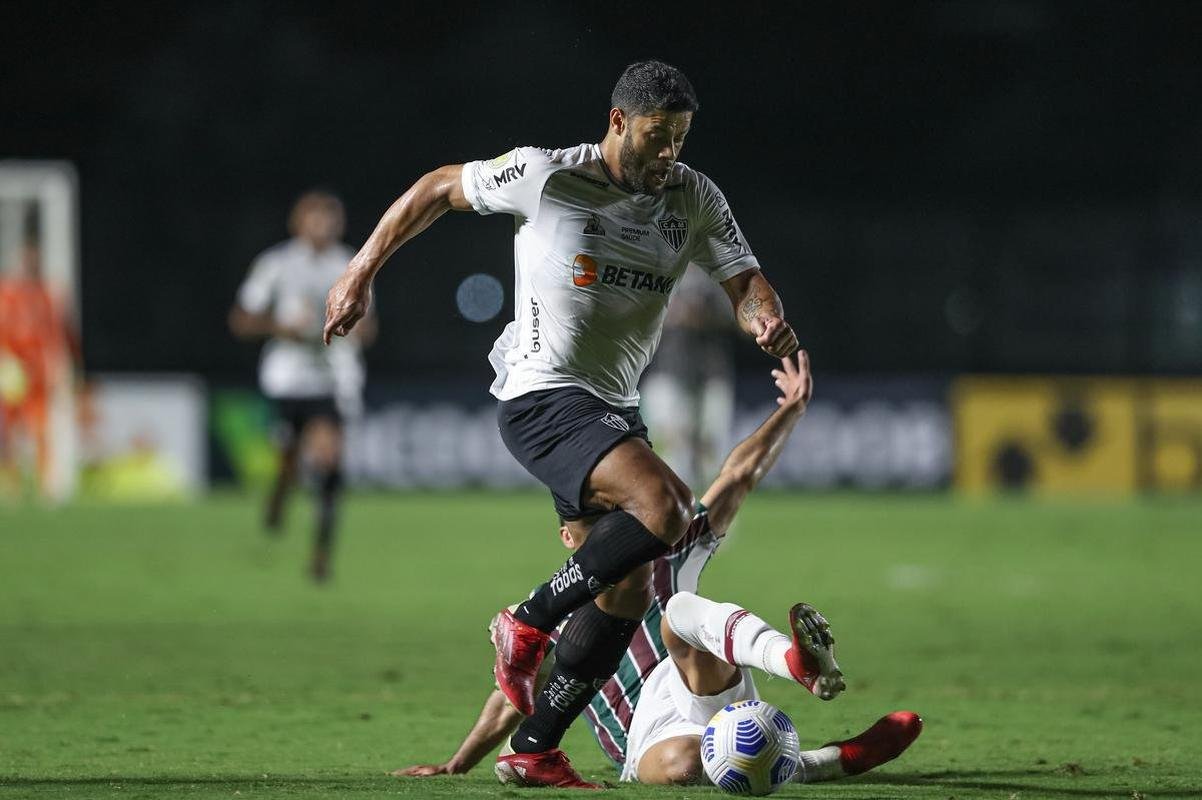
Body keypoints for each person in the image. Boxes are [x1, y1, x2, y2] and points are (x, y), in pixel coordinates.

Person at [325, 59, 799, 786]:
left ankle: (535, 747)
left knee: (624, 591)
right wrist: (360, 272)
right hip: (543, 395)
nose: (668, 152)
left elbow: (744, 280)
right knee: (667, 507)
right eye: (655, 136)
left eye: (679, 138)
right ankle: (526, 621)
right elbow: (437, 189)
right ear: (617, 123)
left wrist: (766, 321)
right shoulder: (545, 175)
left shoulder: (694, 196)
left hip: (613, 407)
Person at [395, 353, 922, 787]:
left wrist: (791, 410)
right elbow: (512, 699)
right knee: (688, 765)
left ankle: (792, 662)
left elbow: (738, 475)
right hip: (647, 733)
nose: (609, 525)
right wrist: (457, 762)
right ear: (566, 537)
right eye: (594, 519)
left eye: (612, 514)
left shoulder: (666, 550)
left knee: (680, 617)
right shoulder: (560, 605)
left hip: (701, 675)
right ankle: (828, 760)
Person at [230, 190, 373, 582]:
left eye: (331, 218)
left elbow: (369, 328)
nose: (325, 226)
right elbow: (242, 319)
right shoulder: (276, 264)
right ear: (299, 222)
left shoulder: (351, 263)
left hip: (331, 379)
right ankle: (279, 497)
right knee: (289, 462)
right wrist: (282, 328)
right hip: (286, 378)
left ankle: (320, 555)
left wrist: (349, 327)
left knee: (328, 461)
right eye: (317, 218)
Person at [0, 234, 79, 498]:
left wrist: (62, 367)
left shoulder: (48, 293)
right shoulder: (6, 293)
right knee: (8, 432)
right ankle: (10, 486)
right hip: (11, 372)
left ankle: (47, 484)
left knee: (40, 429)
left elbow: (59, 334)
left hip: (40, 374)